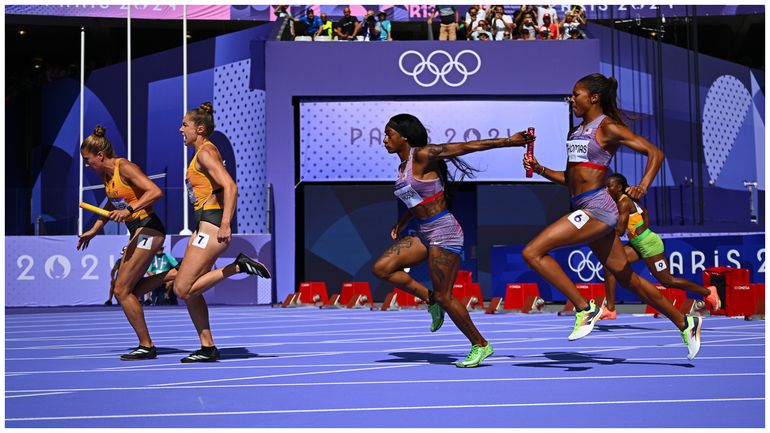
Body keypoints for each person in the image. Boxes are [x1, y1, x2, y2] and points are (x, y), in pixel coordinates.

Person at [522, 73, 703, 360]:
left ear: (593, 97)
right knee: (629, 279)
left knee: (532, 252)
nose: (572, 99)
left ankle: (584, 308)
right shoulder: (575, 132)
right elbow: (571, 180)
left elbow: (654, 152)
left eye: (576, 94)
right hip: (582, 207)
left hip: (598, 209)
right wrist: (540, 168)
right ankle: (685, 322)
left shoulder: (608, 128)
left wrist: (642, 185)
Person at [371, 113, 534, 368]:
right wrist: (402, 223)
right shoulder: (402, 168)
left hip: (444, 232)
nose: (384, 140)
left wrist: (510, 142)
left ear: (404, 136)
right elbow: (416, 202)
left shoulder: (423, 155)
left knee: (447, 296)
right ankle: (430, 298)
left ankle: (480, 345)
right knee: (382, 268)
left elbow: (466, 146)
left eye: (389, 134)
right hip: (423, 232)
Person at [174, 102, 271, 363]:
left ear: (200, 129)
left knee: (182, 289)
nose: (180, 129)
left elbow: (230, 186)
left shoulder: (205, 152)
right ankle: (207, 347)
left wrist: (226, 223)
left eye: (185, 125)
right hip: (203, 225)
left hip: (213, 225)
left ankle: (237, 267)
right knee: (191, 291)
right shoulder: (201, 153)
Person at [77, 126, 167, 360]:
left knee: (120, 289)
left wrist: (129, 209)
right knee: (129, 290)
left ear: (100, 156)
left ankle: (146, 346)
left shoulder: (124, 167)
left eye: (88, 161)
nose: (87, 166)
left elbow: (155, 191)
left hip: (149, 228)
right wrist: (94, 231)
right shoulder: (107, 177)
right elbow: (110, 205)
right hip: (138, 231)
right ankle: (178, 273)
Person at [601, 173, 721, 319]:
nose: (606, 189)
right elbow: (644, 212)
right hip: (637, 243)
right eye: (605, 186)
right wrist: (642, 231)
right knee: (610, 266)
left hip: (650, 245)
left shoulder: (624, 203)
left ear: (619, 187)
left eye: (609, 186)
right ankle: (610, 308)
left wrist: (603, 227)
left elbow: (619, 231)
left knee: (667, 281)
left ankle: (708, 292)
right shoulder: (624, 201)